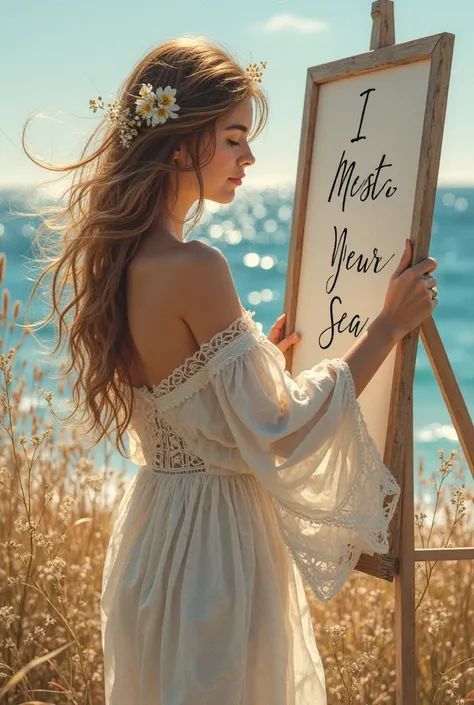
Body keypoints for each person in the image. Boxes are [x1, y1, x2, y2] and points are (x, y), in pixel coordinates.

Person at [23, 36, 438, 705]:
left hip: (154, 540)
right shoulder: (197, 267)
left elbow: (183, 402)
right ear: (182, 143)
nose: (249, 158)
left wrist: (256, 362)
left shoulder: (120, 263)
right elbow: (277, 435)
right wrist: (386, 326)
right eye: (235, 138)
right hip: (214, 551)